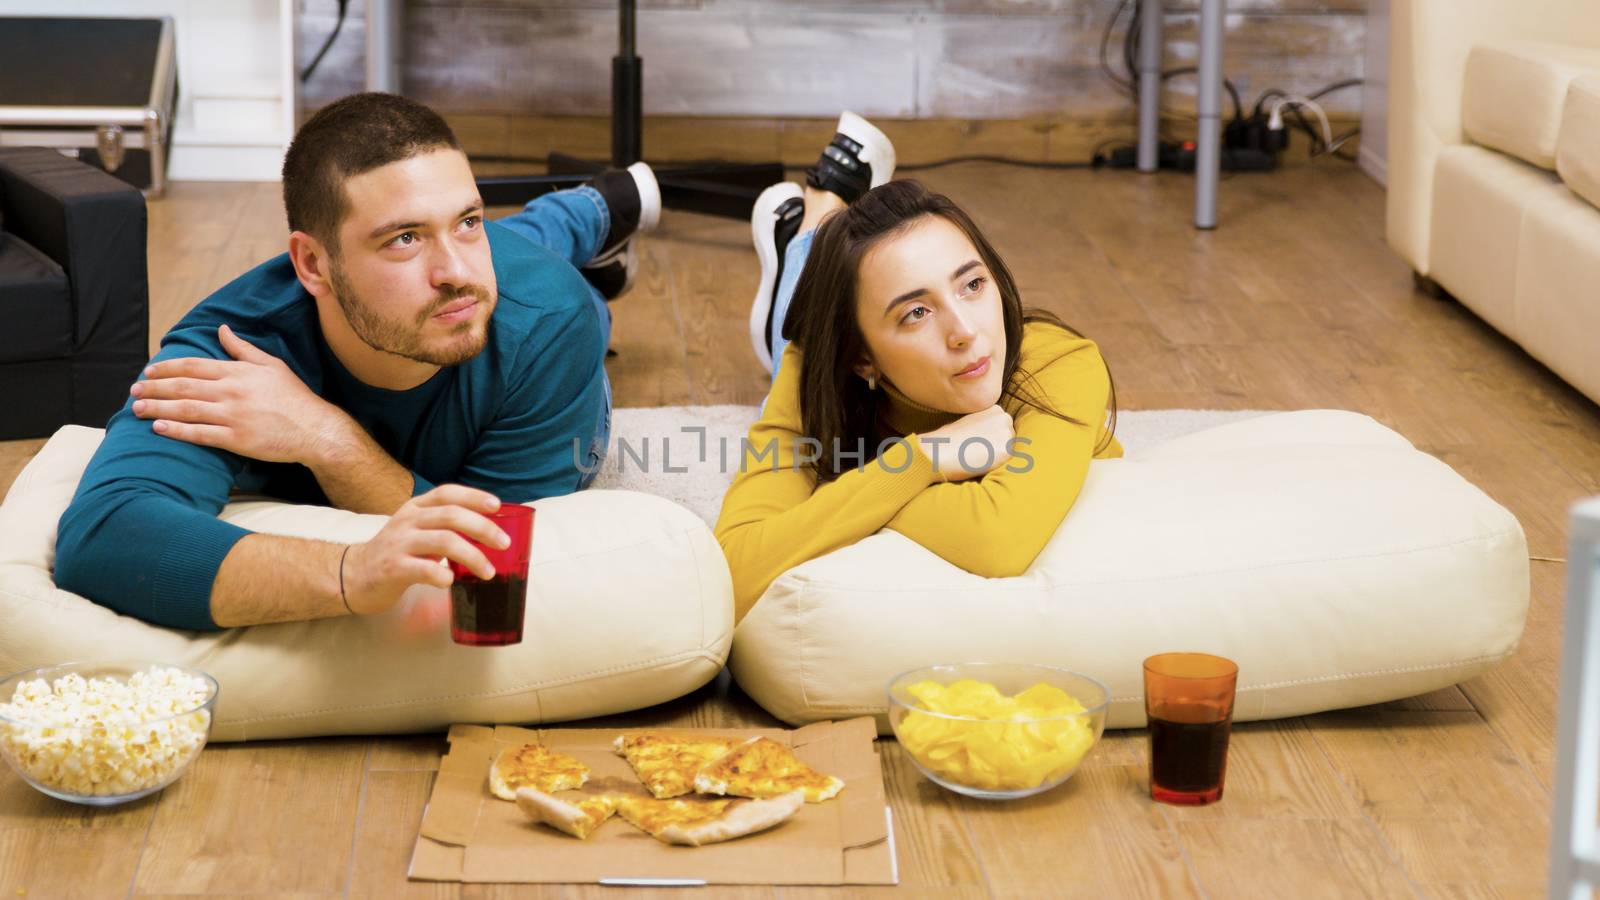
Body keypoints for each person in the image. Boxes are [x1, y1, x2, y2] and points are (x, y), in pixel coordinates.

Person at [54, 92, 661, 632]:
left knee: (565, 292)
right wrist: (352, 572)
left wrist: (328, 438)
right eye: (403, 238)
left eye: (469, 220)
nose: (455, 269)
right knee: (500, 266)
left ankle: (592, 211)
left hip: (549, 300)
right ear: (312, 265)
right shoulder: (234, 353)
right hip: (509, 289)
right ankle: (584, 220)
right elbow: (107, 535)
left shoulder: (550, 323)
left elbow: (494, 552)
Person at [716, 113, 1123, 622]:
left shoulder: (1061, 363)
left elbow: (999, 538)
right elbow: (733, 568)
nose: (966, 332)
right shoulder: (816, 367)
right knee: (795, 346)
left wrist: (840, 493)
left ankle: (813, 228)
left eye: (973, 285)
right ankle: (811, 234)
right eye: (916, 312)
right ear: (859, 357)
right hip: (831, 353)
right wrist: (922, 459)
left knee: (804, 323)